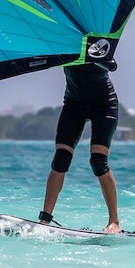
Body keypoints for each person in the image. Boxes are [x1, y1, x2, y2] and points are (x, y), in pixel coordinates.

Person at [39, 57, 121, 232]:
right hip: (74, 105)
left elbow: (110, 61)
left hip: (104, 105)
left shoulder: (96, 47)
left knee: (98, 162)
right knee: (61, 160)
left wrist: (103, 58)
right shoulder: (63, 46)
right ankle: (45, 219)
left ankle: (114, 221)